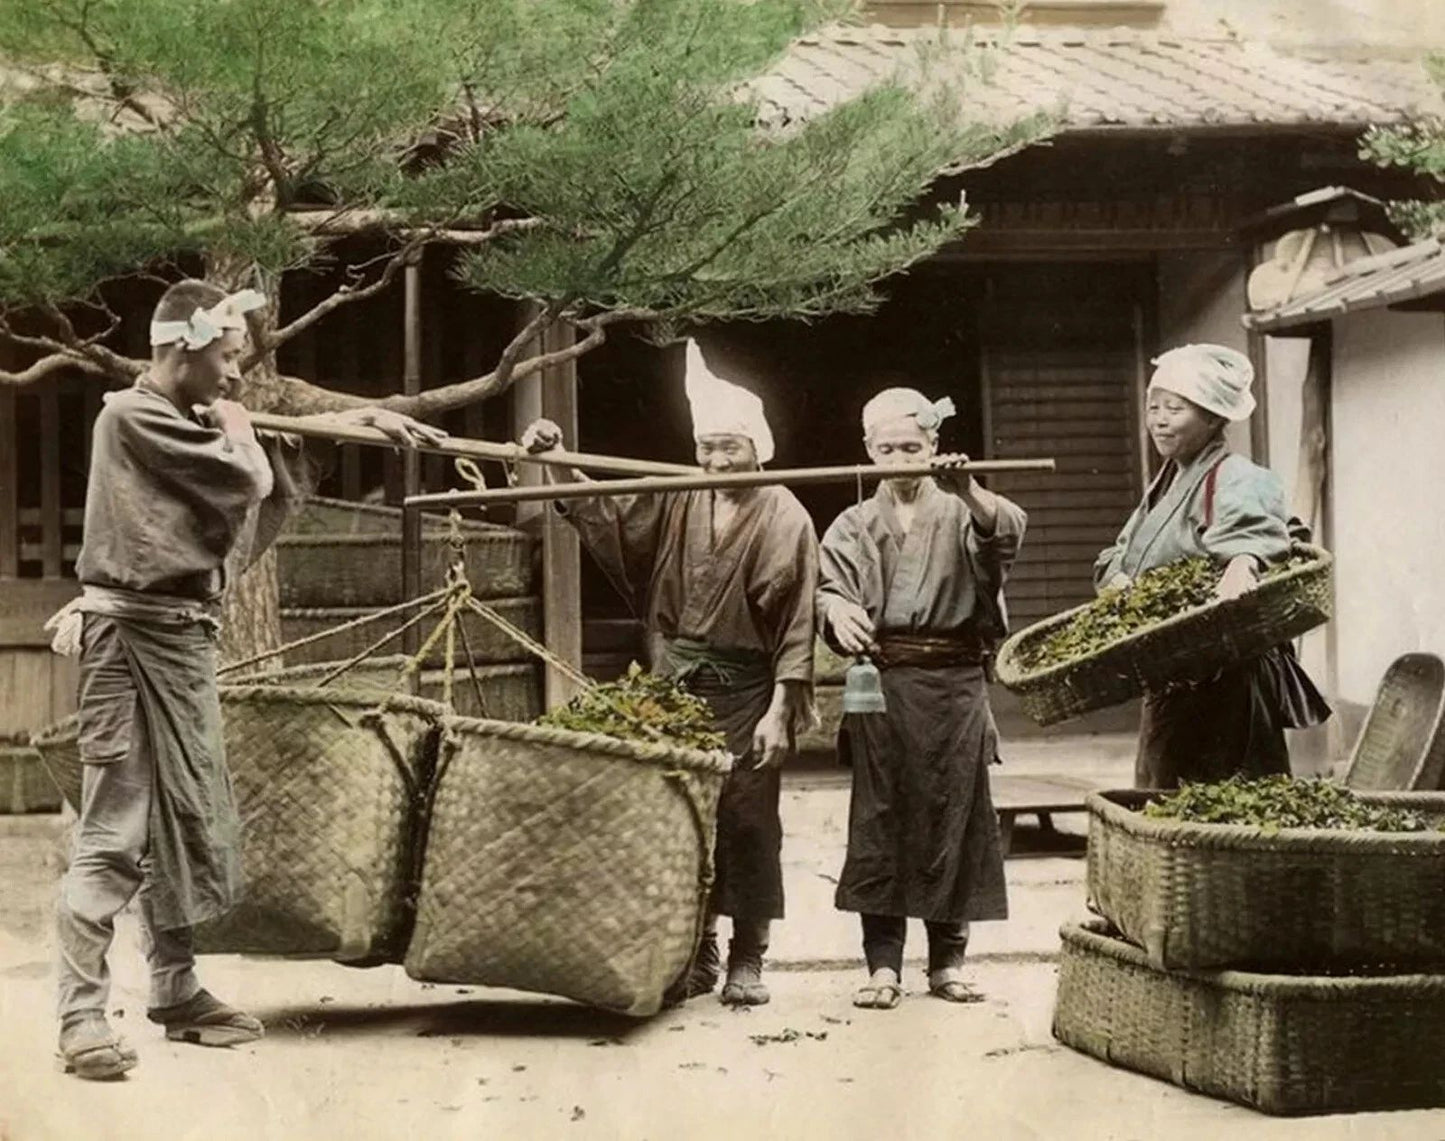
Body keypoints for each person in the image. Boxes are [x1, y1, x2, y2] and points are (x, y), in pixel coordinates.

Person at [50, 279, 443, 1080]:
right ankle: (81, 1016)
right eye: (227, 359)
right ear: (181, 349)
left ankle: (175, 987)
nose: (235, 377)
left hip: (184, 641)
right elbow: (246, 474)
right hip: (128, 644)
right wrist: (238, 427)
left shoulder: (185, 416)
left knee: (185, 819)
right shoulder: (128, 416)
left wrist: (349, 420)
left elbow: (253, 441)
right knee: (115, 833)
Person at [521, 340, 817, 1007]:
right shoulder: (681, 497)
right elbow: (610, 518)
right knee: (680, 818)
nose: (715, 460)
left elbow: (798, 622)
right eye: (706, 447)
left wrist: (781, 708)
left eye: (729, 448)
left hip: (746, 689)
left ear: (757, 446)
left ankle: (749, 954)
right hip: (673, 682)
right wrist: (557, 460)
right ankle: (695, 949)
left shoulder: (784, 514)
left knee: (746, 821)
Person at [816, 388, 1025, 1011]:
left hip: (955, 683)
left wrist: (970, 491)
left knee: (955, 814)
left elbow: (1006, 534)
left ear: (934, 447)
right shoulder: (854, 521)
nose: (901, 460)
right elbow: (828, 586)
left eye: (913, 447)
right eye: (887, 449)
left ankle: (948, 962)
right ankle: (882, 965)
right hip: (884, 684)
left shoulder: (962, 508)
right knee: (880, 818)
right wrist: (837, 607)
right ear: (868, 452)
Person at [1093, 343, 1331, 789]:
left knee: (1226, 800)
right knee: (1165, 794)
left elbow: (1253, 535)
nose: (1159, 420)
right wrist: (1119, 580)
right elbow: (1119, 552)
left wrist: (1242, 564)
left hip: (1225, 677)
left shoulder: (1237, 475)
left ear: (1213, 418)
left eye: (1175, 409)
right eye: (1153, 407)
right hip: (1172, 672)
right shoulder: (1166, 482)